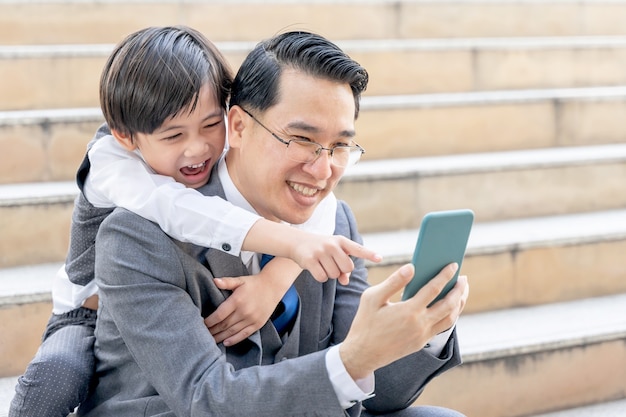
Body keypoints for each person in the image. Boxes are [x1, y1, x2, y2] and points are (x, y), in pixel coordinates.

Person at [77, 30, 469, 417]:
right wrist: (349, 361)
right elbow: (206, 399)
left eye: (340, 146)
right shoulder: (136, 235)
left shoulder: (335, 221)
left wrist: (429, 329)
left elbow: (379, 395)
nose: (322, 169)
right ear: (239, 126)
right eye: (301, 139)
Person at [9, 26, 378, 417]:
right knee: (57, 374)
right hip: (84, 310)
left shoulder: (214, 156)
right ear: (126, 137)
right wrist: (291, 247)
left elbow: (324, 201)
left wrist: (279, 275)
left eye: (210, 125)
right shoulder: (113, 166)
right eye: (173, 136)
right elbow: (185, 213)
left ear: (232, 118)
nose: (198, 147)